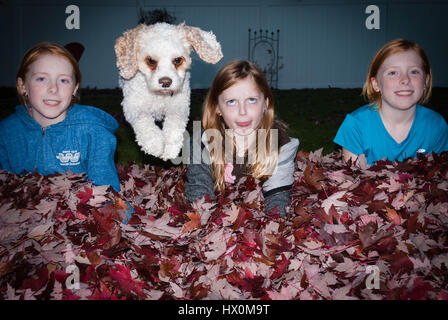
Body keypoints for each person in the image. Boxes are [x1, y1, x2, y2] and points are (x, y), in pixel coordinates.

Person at [0, 41, 121, 191]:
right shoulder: (6, 133)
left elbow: (108, 193)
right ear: (22, 85)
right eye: (41, 79)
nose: (53, 88)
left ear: (74, 89)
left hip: (78, 209)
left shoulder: (94, 132)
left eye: (63, 80)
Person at [185, 60, 299, 217]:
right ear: (217, 108)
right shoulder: (202, 142)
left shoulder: (281, 144)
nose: (242, 111)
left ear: (265, 104)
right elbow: (199, 192)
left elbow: (277, 198)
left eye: (251, 100)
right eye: (231, 102)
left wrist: (273, 229)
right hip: (216, 223)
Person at [334, 39, 448, 165]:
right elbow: (351, 180)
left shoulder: (436, 126)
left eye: (414, 72)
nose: (405, 80)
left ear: (426, 81)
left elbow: (438, 176)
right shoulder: (356, 125)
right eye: (393, 73)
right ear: (376, 84)